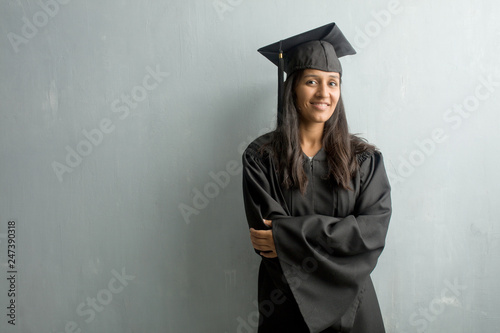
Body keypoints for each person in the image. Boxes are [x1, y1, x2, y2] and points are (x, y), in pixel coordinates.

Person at [241, 23, 392, 333]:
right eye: (312, 81)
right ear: (292, 87)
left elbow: (372, 233)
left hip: (356, 308)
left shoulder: (364, 160)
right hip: (286, 306)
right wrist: (341, 233)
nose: (324, 93)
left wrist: (288, 236)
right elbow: (266, 243)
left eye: (333, 83)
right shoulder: (261, 157)